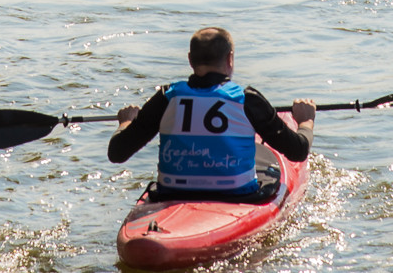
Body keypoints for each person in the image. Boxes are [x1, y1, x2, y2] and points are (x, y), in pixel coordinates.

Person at [108, 27, 314, 200]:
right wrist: (305, 121)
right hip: (238, 195)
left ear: (190, 60)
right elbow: (298, 151)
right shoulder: (247, 99)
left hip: (171, 194)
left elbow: (117, 153)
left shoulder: (166, 98)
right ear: (230, 59)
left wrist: (126, 123)